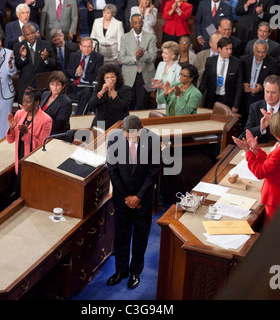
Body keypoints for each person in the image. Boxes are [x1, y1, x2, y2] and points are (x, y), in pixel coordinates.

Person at [106, 115, 160, 289]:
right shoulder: (114, 138)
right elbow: (112, 170)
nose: (131, 139)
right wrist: (127, 198)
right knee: (121, 235)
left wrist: (138, 197)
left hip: (143, 199)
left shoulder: (153, 140)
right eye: (128, 136)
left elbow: (153, 171)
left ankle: (135, 271)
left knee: (140, 236)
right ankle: (121, 271)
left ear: (142, 128)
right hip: (122, 198)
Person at [233, 111, 280, 225]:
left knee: (272, 232)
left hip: (276, 198)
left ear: (277, 131)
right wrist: (255, 150)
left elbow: (260, 172)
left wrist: (247, 151)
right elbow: (271, 161)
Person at [6, 89, 52, 194]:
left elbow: (42, 145)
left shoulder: (46, 120)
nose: (24, 104)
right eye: (23, 101)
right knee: (19, 188)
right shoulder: (19, 113)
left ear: (36, 103)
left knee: (30, 191)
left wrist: (26, 133)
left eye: (28, 102)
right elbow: (10, 140)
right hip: (20, 157)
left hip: (34, 161)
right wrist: (12, 129)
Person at [243, 75, 280, 143]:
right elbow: (246, 133)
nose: (269, 96)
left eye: (273, 92)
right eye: (267, 92)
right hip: (260, 147)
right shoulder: (255, 107)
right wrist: (261, 128)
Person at [119, 13, 157, 110]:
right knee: (128, 106)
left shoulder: (151, 37)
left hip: (147, 77)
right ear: (131, 24)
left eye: (140, 22)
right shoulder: (124, 38)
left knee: (144, 105)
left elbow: (153, 57)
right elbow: (122, 58)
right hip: (129, 77)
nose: (138, 25)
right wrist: (135, 57)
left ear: (143, 23)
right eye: (135, 23)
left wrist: (142, 54)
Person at [14, 23, 59, 104]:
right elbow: (17, 66)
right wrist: (23, 57)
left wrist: (46, 59)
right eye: (28, 34)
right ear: (23, 35)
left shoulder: (46, 45)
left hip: (42, 86)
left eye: (33, 33)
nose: (31, 36)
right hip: (25, 86)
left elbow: (53, 65)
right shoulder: (18, 46)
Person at [240, 39, 280, 125]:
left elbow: (274, 81)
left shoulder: (273, 63)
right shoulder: (244, 60)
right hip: (244, 99)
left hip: (260, 100)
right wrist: (242, 85)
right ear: (253, 50)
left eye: (263, 52)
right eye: (258, 51)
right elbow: (238, 78)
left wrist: (262, 87)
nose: (261, 55)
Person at [198, 37, 243, 113]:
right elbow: (204, 82)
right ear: (219, 49)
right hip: (212, 98)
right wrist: (197, 98)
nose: (229, 51)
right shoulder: (210, 61)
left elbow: (239, 85)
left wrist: (235, 105)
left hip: (228, 100)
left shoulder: (236, 63)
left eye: (231, 49)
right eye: (227, 49)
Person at [66, 37, 104, 115]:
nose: (86, 49)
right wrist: (76, 72)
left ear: (92, 48)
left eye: (89, 46)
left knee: (87, 93)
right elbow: (68, 72)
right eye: (84, 46)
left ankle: (79, 116)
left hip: (87, 85)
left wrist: (83, 74)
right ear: (80, 47)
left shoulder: (98, 58)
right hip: (74, 84)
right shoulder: (73, 55)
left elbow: (97, 75)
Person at [89, 64, 131, 130]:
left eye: (112, 77)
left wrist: (112, 91)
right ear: (103, 79)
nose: (110, 80)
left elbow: (122, 107)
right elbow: (91, 104)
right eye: (107, 78)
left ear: (117, 77)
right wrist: (101, 92)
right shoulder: (99, 87)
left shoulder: (126, 89)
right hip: (101, 122)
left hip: (118, 123)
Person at [39, 71, 72, 135]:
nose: (55, 87)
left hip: (55, 134)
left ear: (63, 86)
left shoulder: (66, 102)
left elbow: (58, 125)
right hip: (41, 130)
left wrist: (40, 122)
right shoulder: (45, 94)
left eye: (58, 84)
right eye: (52, 84)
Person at [151, 41, 182, 109]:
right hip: (160, 100)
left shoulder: (178, 69)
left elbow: (178, 88)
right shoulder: (161, 64)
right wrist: (154, 83)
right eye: (162, 52)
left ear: (173, 55)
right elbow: (153, 85)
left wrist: (163, 87)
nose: (162, 55)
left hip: (171, 102)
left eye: (166, 53)